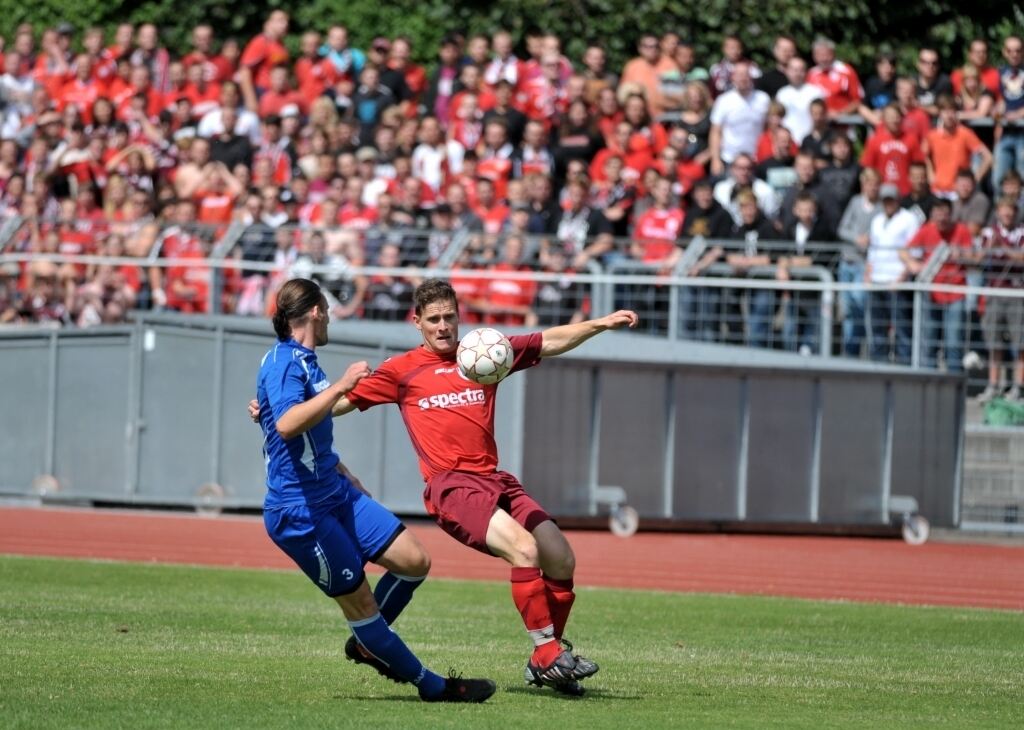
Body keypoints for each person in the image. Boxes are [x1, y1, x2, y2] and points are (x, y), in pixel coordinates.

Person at [257, 279, 637, 694]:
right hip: (452, 486)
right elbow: (339, 403)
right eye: (434, 319)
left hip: (495, 479)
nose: (443, 326)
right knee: (524, 549)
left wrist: (600, 323)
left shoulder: (483, 354)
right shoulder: (402, 370)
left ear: (459, 317)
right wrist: (275, 412)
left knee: (561, 558)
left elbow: (549, 340)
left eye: (449, 317)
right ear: (417, 322)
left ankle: (545, 658)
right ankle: (546, 653)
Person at [254, 278, 496, 703]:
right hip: (301, 511)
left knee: (414, 561)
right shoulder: (285, 361)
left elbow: (302, 428)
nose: (329, 317)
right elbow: (288, 423)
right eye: (326, 310)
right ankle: (432, 685)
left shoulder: (305, 360)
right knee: (362, 605)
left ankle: (372, 641)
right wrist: (340, 387)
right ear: (315, 312)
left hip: (334, 490)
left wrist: (340, 468)